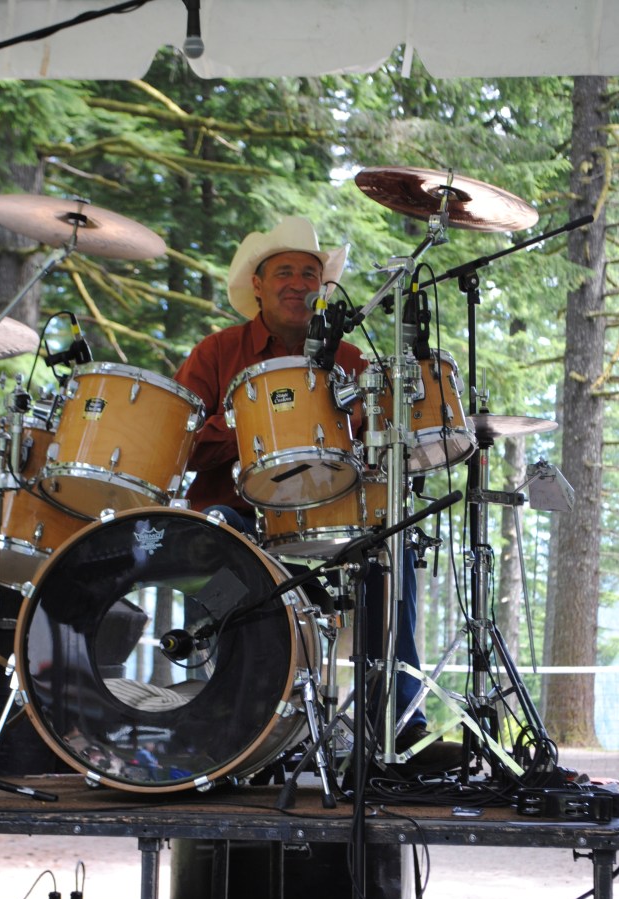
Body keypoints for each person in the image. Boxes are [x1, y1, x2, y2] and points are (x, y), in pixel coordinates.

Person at [174, 216, 462, 777]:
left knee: (394, 543)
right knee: (213, 531)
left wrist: (369, 429)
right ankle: (236, 723)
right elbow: (177, 447)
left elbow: (384, 454)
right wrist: (260, 427)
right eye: (284, 271)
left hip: (337, 520)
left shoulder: (354, 361)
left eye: (310, 272)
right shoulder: (217, 353)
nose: (299, 282)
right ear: (256, 284)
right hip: (243, 517)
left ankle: (400, 725)